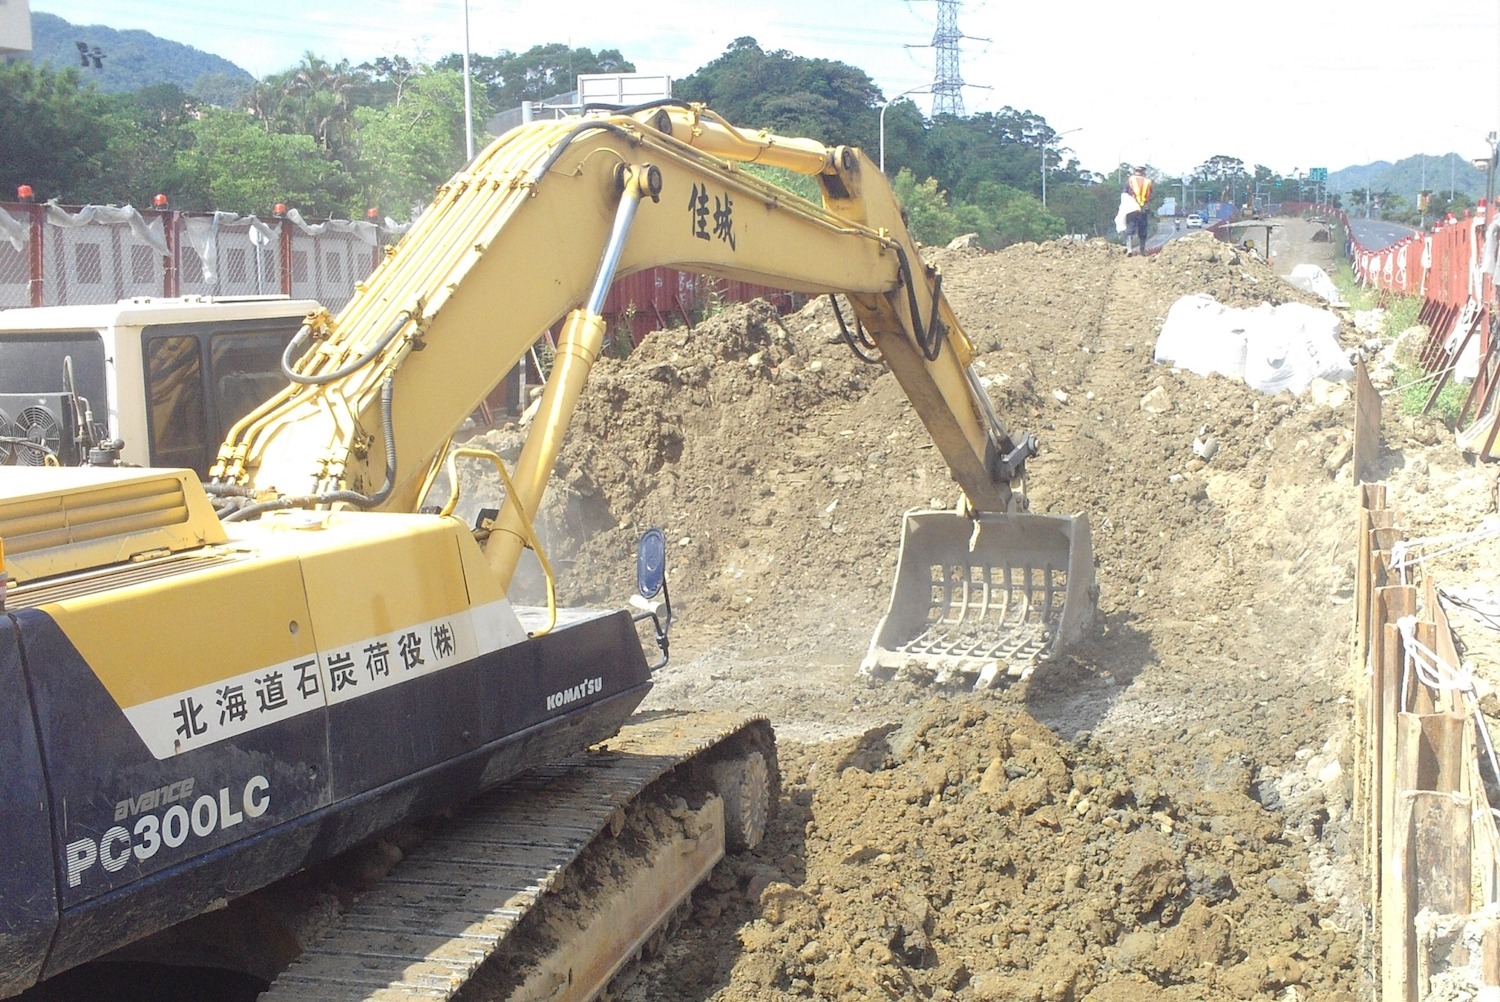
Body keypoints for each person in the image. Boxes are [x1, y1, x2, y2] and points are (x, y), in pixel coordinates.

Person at [1124, 166, 1153, 255]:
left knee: (1130, 227)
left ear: (1134, 171)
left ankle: (1129, 249)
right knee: (1143, 229)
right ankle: (1142, 250)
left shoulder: (1130, 180)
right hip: (1143, 208)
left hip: (1132, 208)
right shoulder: (1148, 182)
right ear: (1143, 172)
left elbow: (1124, 194)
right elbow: (1150, 196)